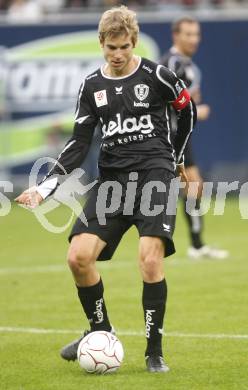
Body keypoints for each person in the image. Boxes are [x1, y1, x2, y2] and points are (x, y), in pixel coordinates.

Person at [15, 6, 196, 372]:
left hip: (154, 174)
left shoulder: (156, 75)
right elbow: (78, 144)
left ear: (133, 43)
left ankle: (154, 352)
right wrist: (45, 188)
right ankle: (100, 332)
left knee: (149, 259)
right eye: (111, 47)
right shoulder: (91, 86)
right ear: (101, 43)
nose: (118, 54)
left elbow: (186, 110)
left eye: (125, 47)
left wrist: (175, 158)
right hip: (112, 181)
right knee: (78, 257)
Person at [161, 17, 228, 259]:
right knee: (176, 188)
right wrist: (196, 111)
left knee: (193, 187)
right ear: (175, 35)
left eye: (196, 34)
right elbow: (163, 103)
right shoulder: (170, 64)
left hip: (180, 135)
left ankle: (197, 245)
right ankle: (194, 245)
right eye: (188, 34)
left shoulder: (189, 66)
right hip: (168, 135)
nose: (194, 39)